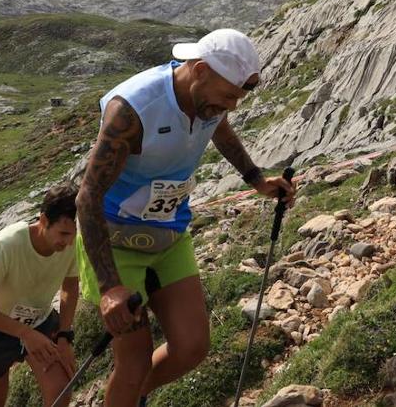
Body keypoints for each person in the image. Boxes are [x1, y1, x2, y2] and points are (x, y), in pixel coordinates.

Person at [76, 28, 296, 407]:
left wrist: (257, 180)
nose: (232, 106)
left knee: (192, 347)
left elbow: (220, 130)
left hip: (169, 233)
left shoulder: (210, 103)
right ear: (199, 70)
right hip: (115, 241)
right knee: (132, 363)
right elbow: (87, 197)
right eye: (228, 96)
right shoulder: (132, 110)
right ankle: (126, 394)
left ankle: (130, 398)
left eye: (238, 98)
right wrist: (111, 287)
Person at [0, 184, 81, 407]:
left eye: (73, 234)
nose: (68, 242)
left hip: (41, 323)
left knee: (61, 389)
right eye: (63, 233)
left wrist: (64, 335)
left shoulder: (72, 244)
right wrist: (24, 333)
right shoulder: (7, 244)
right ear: (44, 220)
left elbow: (70, 286)